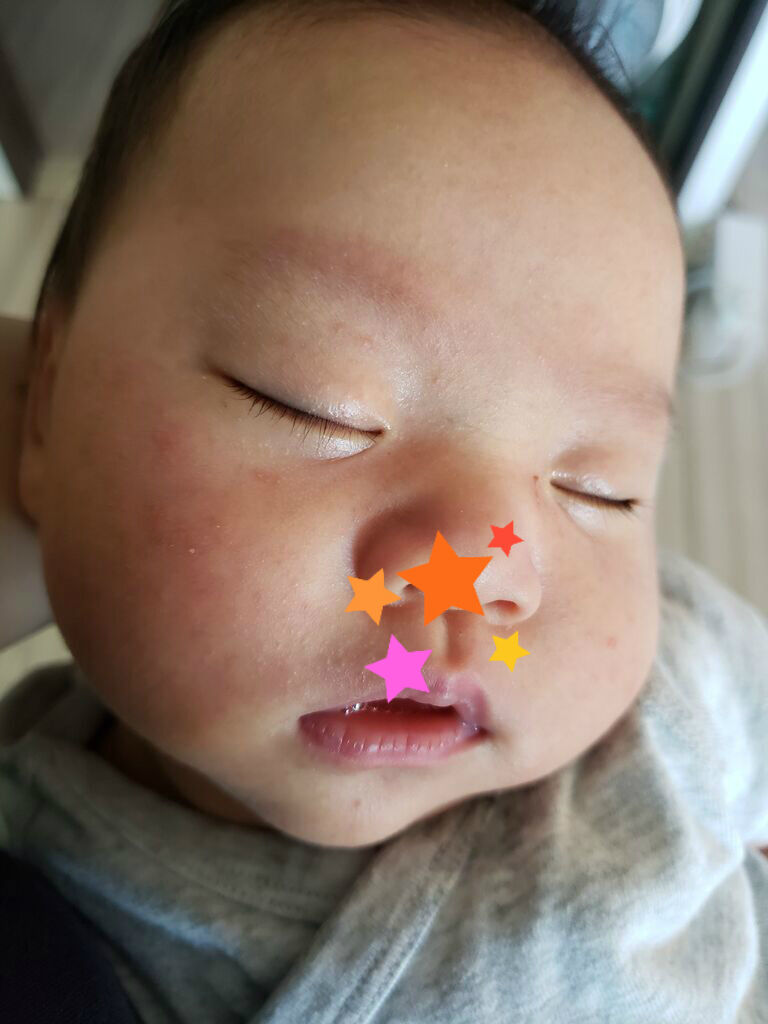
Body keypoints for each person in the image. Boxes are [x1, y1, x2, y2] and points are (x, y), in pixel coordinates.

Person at [1, 1, 767, 1021]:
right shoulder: (37, 883)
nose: (478, 572)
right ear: (43, 395)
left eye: (601, 487)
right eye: (313, 402)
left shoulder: (680, 697)